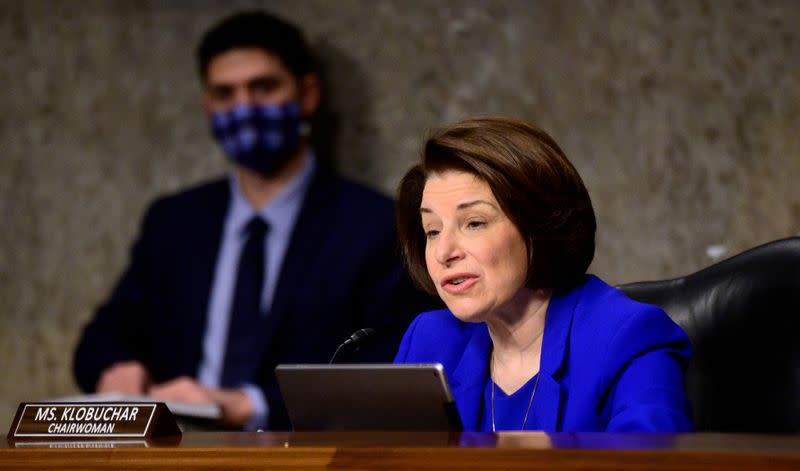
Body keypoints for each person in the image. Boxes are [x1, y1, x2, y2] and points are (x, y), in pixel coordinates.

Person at [73, 11, 428, 430]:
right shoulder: (175, 222)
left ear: (308, 93)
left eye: (263, 87)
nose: (244, 108)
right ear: (207, 105)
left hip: (303, 465)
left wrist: (249, 404)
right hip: (177, 457)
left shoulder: (373, 225)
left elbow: (387, 369)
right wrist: (116, 367)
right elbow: (102, 337)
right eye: (225, 94)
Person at [394, 117, 692, 432]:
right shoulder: (430, 342)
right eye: (433, 231)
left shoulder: (628, 338)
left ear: (538, 226)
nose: (444, 252)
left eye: (474, 223)